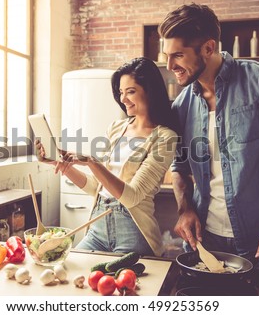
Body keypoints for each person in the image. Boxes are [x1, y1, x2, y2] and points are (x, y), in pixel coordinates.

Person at [158, 3, 259, 268]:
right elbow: (180, 166)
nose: (169, 65)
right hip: (206, 242)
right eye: (167, 55)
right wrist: (185, 209)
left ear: (209, 48)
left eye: (177, 55)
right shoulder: (182, 104)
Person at [35, 57, 179, 256]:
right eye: (121, 92)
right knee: (72, 272)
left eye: (131, 91)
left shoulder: (165, 137)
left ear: (149, 91)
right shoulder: (117, 128)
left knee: (120, 286)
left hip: (133, 229)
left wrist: (91, 162)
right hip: (98, 224)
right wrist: (61, 164)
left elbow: (132, 196)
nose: (123, 99)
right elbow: (97, 186)